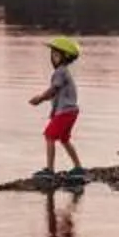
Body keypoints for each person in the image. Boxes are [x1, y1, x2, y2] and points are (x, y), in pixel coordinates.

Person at [27, 34, 87, 184]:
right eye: (52, 55)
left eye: (56, 55)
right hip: (71, 111)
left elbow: (53, 90)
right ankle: (78, 168)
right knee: (64, 139)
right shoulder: (64, 72)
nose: (52, 58)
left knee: (49, 135)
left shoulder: (60, 72)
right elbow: (55, 93)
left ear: (65, 57)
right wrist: (45, 100)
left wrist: (40, 98)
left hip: (65, 112)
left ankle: (50, 170)